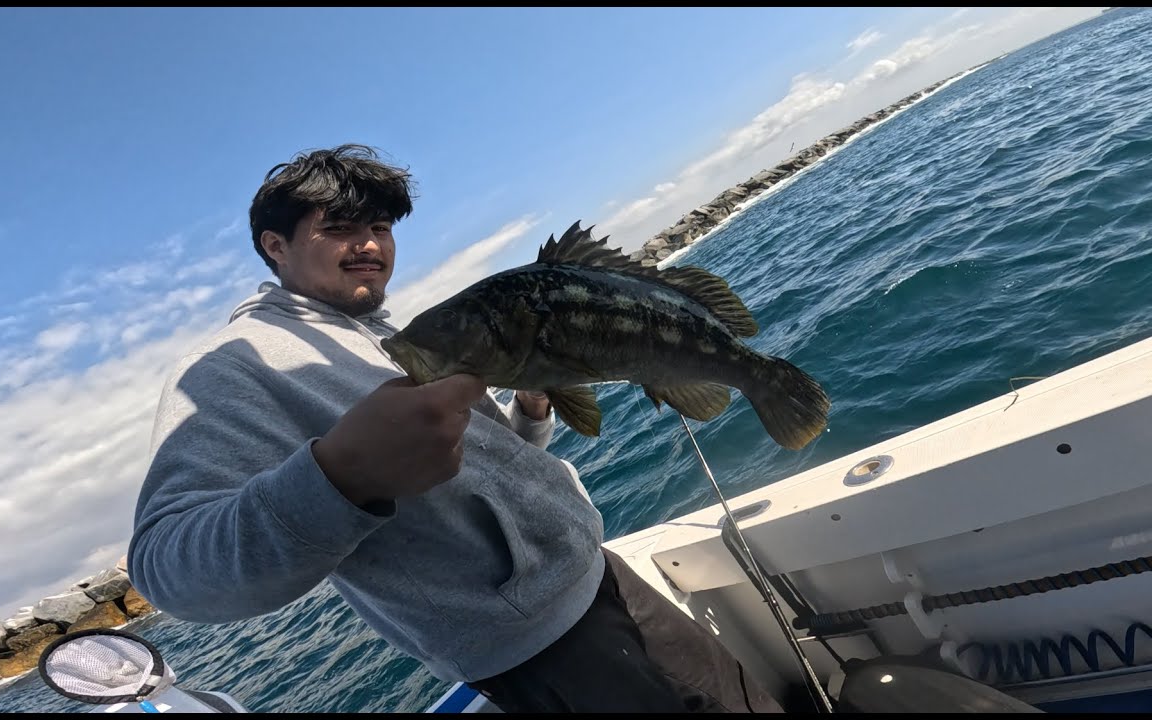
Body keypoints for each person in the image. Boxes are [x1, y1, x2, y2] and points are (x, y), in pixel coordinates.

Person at [127, 144, 784, 713]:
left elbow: (480, 465)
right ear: (276, 245)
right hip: (540, 650)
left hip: (594, 573)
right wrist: (342, 478)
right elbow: (165, 568)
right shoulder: (233, 365)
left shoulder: (374, 331)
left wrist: (530, 417)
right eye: (340, 228)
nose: (369, 246)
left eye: (381, 227)